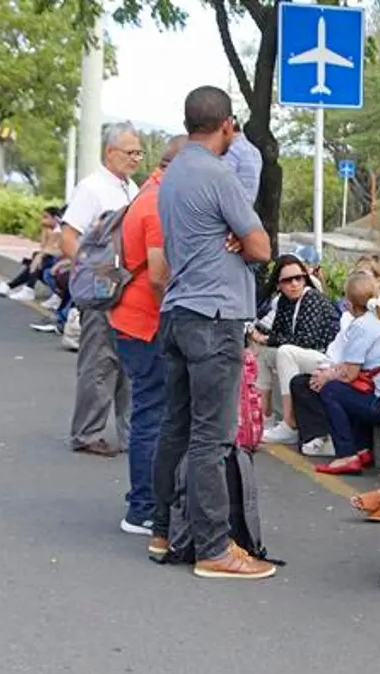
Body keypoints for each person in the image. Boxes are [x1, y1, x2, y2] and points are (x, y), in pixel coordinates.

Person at [149, 85, 274, 579]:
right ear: (227, 125)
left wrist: (233, 236)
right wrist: (241, 239)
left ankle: (163, 530)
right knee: (212, 438)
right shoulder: (219, 174)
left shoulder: (173, 173)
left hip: (178, 312)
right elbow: (261, 247)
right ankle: (214, 548)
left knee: (175, 427)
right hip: (215, 317)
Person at [109, 134, 187, 535]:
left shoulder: (148, 192)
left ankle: (146, 502)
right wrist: (176, 317)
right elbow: (158, 276)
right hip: (145, 324)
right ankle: (141, 508)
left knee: (150, 411)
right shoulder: (158, 203)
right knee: (151, 415)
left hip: (130, 321)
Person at [61, 122, 142, 456]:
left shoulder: (131, 188)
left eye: (139, 153)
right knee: (99, 363)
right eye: (130, 152)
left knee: (128, 366)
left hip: (127, 291)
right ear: (110, 152)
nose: (136, 158)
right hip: (102, 292)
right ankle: (87, 432)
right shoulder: (92, 189)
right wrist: (93, 274)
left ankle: (131, 434)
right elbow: (69, 236)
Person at [312, 272, 380, 475]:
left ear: (349, 303)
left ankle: (346, 455)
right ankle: (362, 449)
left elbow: (349, 375)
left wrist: (326, 376)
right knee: (358, 390)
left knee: (332, 390)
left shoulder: (361, 326)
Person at [256, 254, 340, 444]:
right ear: (278, 284)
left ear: (305, 278)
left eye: (298, 278)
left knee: (285, 352)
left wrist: (268, 338)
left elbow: (306, 340)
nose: (294, 284)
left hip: (329, 359)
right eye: (287, 280)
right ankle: (264, 418)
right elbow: (278, 333)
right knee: (264, 354)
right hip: (309, 355)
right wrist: (263, 337)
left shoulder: (311, 298)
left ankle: (290, 424)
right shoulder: (284, 301)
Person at [0, 205, 64, 304]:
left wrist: (39, 257)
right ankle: (19, 288)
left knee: (39, 258)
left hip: (60, 264)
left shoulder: (59, 232)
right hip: (52, 262)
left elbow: (50, 250)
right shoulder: (52, 230)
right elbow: (44, 246)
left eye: (45, 217)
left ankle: (19, 288)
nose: (42, 220)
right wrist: (44, 230)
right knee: (37, 258)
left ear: (55, 218)